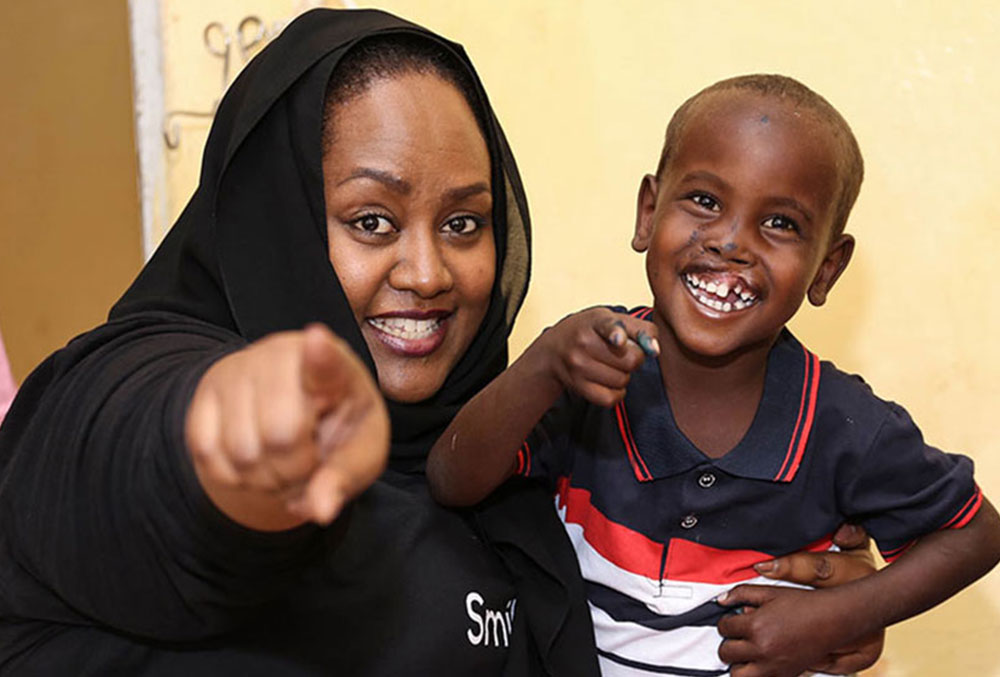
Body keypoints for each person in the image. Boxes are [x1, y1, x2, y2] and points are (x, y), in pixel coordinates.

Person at [0, 10, 881, 676]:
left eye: (464, 221)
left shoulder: (512, 459)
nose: (427, 272)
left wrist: (807, 600)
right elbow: (141, 454)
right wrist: (236, 439)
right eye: (371, 219)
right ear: (280, 224)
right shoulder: (113, 387)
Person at [427, 74, 1000, 677]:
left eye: (780, 223)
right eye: (704, 200)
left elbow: (975, 535)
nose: (731, 242)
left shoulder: (845, 426)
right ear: (648, 212)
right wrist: (542, 364)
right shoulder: (590, 367)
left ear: (826, 268)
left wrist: (841, 617)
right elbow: (451, 479)